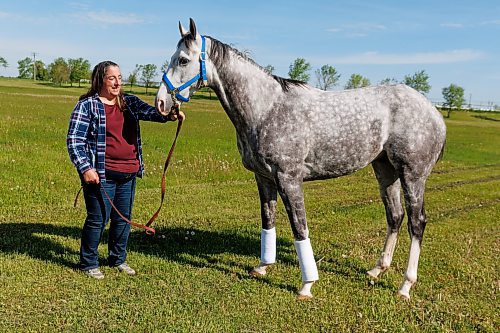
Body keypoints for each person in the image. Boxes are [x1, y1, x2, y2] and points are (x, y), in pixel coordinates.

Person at [67, 60, 184, 279]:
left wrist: (170, 115)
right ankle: (89, 263)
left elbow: (153, 113)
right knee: (98, 220)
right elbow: (74, 140)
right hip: (101, 175)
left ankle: (117, 259)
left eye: (119, 77)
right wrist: (85, 168)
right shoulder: (88, 105)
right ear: (101, 79)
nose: (117, 82)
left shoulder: (129, 102)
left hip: (129, 173)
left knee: (123, 219)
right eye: (112, 78)